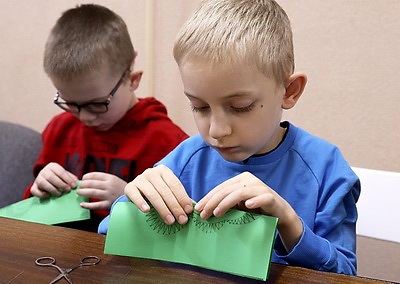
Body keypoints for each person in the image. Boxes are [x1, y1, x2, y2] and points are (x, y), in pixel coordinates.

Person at [98, 0, 360, 276]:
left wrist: (289, 224)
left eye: (239, 107)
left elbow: (345, 274)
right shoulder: (188, 157)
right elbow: (107, 235)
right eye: (199, 107)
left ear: (289, 91)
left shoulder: (327, 169)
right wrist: (133, 202)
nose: (216, 131)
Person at [23, 4, 188, 231]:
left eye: (97, 104)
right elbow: (32, 213)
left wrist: (128, 198)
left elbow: (182, 224)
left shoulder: (169, 142)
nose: (84, 117)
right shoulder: (59, 130)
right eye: (71, 104)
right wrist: (38, 188)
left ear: (132, 80)